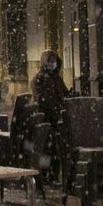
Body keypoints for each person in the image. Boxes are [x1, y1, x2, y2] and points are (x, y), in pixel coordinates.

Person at [32, 49, 70, 181]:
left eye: (54, 61)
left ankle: (54, 174)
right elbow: (41, 98)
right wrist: (52, 105)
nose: (53, 63)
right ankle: (44, 174)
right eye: (50, 61)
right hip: (46, 118)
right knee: (47, 148)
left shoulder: (57, 79)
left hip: (57, 118)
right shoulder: (39, 79)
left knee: (57, 148)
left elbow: (64, 94)